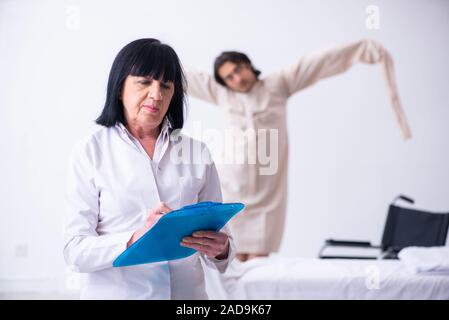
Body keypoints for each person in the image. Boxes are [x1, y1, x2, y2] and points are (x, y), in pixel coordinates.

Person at [186, 39, 412, 262]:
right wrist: (153, 58)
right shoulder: (222, 94)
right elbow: (185, 75)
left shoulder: (279, 84)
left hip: (269, 191)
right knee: (230, 259)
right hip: (232, 185)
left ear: (247, 65)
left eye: (238, 70)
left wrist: (364, 49)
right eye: (229, 77)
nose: (237, 78)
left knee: (258, 263)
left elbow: (318, 63)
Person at [63, 38, 235, 299]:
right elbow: (74, 251)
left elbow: (221, 247)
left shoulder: (197, 152)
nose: (157, 94)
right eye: (144, 82)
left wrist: (221, 249)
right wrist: (136, 238)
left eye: (166, 85)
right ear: (120, 87)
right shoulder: (89, 152)